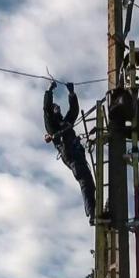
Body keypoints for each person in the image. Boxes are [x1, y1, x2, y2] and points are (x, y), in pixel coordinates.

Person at [43, 80, 96, 225]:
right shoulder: (52, 127)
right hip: (69, 153)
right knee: (85, 181)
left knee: (90, 183)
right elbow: (46, 109)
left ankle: (94, 211)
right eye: (55, 107)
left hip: (76, 152)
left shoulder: (65, 122)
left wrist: (72, 94)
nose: (58, 108)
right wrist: (49, 91)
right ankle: (93, 214)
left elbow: (73, 111)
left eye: (58, 107)